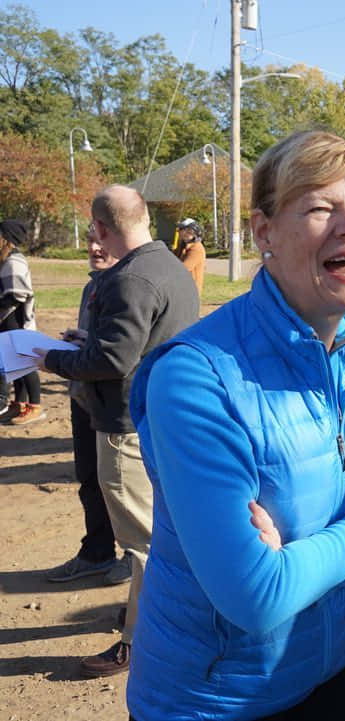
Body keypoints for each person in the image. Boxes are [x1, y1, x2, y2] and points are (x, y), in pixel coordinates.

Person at [124, 129, 345, 719]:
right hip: (219, 700)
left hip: (341, 664)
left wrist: (294, 558)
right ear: (263, 233)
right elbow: (256, 598)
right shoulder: (196, 378)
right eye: (318, 208)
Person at [34, 185, 200, 677]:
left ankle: (139, 640)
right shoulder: (169, 264)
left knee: (147, 545)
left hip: (126, 427)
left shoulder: (129, 279)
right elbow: (142, 343)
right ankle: (146, 618)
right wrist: (92, 339)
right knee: (158, 534)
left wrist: (45, 356)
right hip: (158, 416)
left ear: (101, 229)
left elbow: (112, 360)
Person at [44, 222, 131, 587]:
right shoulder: (92, 286)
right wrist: (83, 339)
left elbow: (120, 352)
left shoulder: (128, 285)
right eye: (91, 241)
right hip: (84, 396)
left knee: (126, 488)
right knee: (90, 481)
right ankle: (96, 551)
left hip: (118, 407)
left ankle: (134, 557)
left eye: (102, 240)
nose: (95, 248)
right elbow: (102, 343)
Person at [0, 219, 45, 425]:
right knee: (13, 364)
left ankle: (35, 406)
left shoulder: (14, 261)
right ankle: (19, 404)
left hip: (17, 320)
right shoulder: (6, 258)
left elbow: (17, 295)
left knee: (24, 364)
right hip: (8, 319)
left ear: (6, 238)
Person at [174, 217, 207, 295]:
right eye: (182, 230)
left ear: (195, 233)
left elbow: (184, 268)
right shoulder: (183, 246)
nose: (183, 233)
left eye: (188, 231)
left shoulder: (196, 249)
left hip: (190, 291)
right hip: (181, 288)